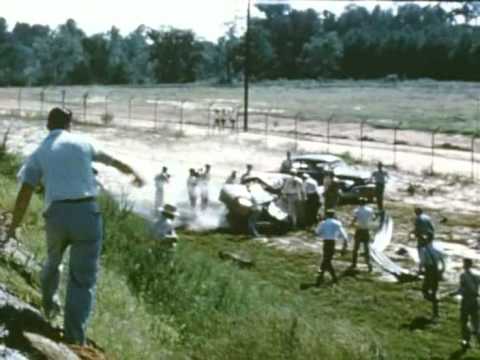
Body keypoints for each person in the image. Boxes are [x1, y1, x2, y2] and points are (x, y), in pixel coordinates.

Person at [6, 107, 144, 345]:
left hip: (56, 214)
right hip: (87, 213)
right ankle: (74, 337)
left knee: (53, 261)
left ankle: (49, 305)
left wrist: (13, 226)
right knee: (82, 279)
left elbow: (25, 192)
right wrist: (133, 173)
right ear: (70, 124)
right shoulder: (83, 143)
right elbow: (112, 161)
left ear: (48, 125)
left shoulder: (40, 152)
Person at [450, 258, 480, 349]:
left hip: (466, 301)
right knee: (475, 321)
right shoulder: (477, 275)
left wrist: (454, 293)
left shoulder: (463, 275)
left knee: (464, 321)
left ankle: (466, 340)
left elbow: (462, 289)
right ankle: (478, 338)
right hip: (475, 301)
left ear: (465, 265)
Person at [315, 209, 349, 285]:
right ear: (333, 215)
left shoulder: (323, 223)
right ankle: (328, 277)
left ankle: (323, 276)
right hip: (332, 242)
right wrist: (345, 243)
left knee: (326, 259)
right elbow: (344, 235)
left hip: (326, 242)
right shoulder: (337, 223)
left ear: (326, 215)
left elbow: (317, 232)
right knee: (327, 259)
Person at [419, 242, 445, 320]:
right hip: (436, 271)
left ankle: (434, 301)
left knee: (424, 290)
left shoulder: (424, 251)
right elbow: (442, 262)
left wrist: (420, 270)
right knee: (434, 290)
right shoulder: (437, 251)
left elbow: (422, 262)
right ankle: (436, 312)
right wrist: (442, 270)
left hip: (429, 271)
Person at [350, 198, 375, 272]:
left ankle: (354, 263)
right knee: (366, 248)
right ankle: (369, 264)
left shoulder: (357, 210)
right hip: (366, 230)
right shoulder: (370, 210)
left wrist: (351, 224)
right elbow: (373, 218)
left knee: (356, 248)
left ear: (360, 203)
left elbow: (354, 219)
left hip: (359, 230)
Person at [411, 207, 435, 273]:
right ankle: (431, 267)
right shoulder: (428, 217)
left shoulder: (418, 219)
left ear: (417, 212)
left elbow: (417, 230)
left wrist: (414, 235)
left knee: (421, 253)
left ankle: (420, 269)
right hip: (430, 236)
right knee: (429, 253)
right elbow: (432, 228)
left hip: (422, 237)